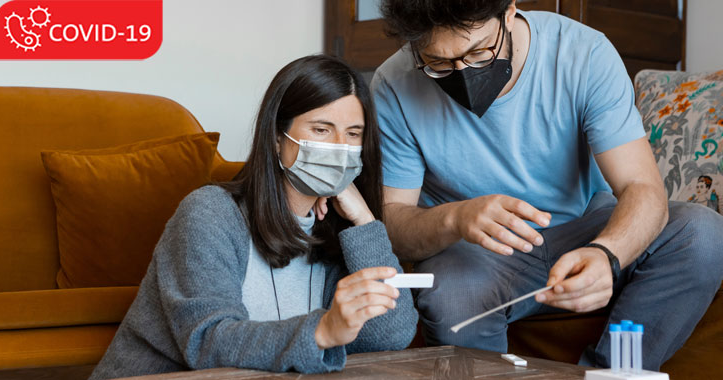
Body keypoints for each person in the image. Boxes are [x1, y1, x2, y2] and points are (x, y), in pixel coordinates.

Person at [371, 0, 723, 371]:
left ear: (508, 12)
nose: (462, 72)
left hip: (586, 226)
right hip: (477, 254)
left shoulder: (583, 53)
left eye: (479, 52)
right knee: (451, 293)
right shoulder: (393, 84)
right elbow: (393, 225)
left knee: (701, 232)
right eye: (439, 64)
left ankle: (603, 377)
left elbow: (642, 187)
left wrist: (608, 252)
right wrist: (455, 219)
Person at [89, 55, 418, 379]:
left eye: (353, 134)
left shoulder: (337, 232)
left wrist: (364, 221)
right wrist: (323, 330)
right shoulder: (209, 213)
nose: (339, 148)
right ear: (277, 137)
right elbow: (207, 342)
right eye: (322, 129)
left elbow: (390, 336)